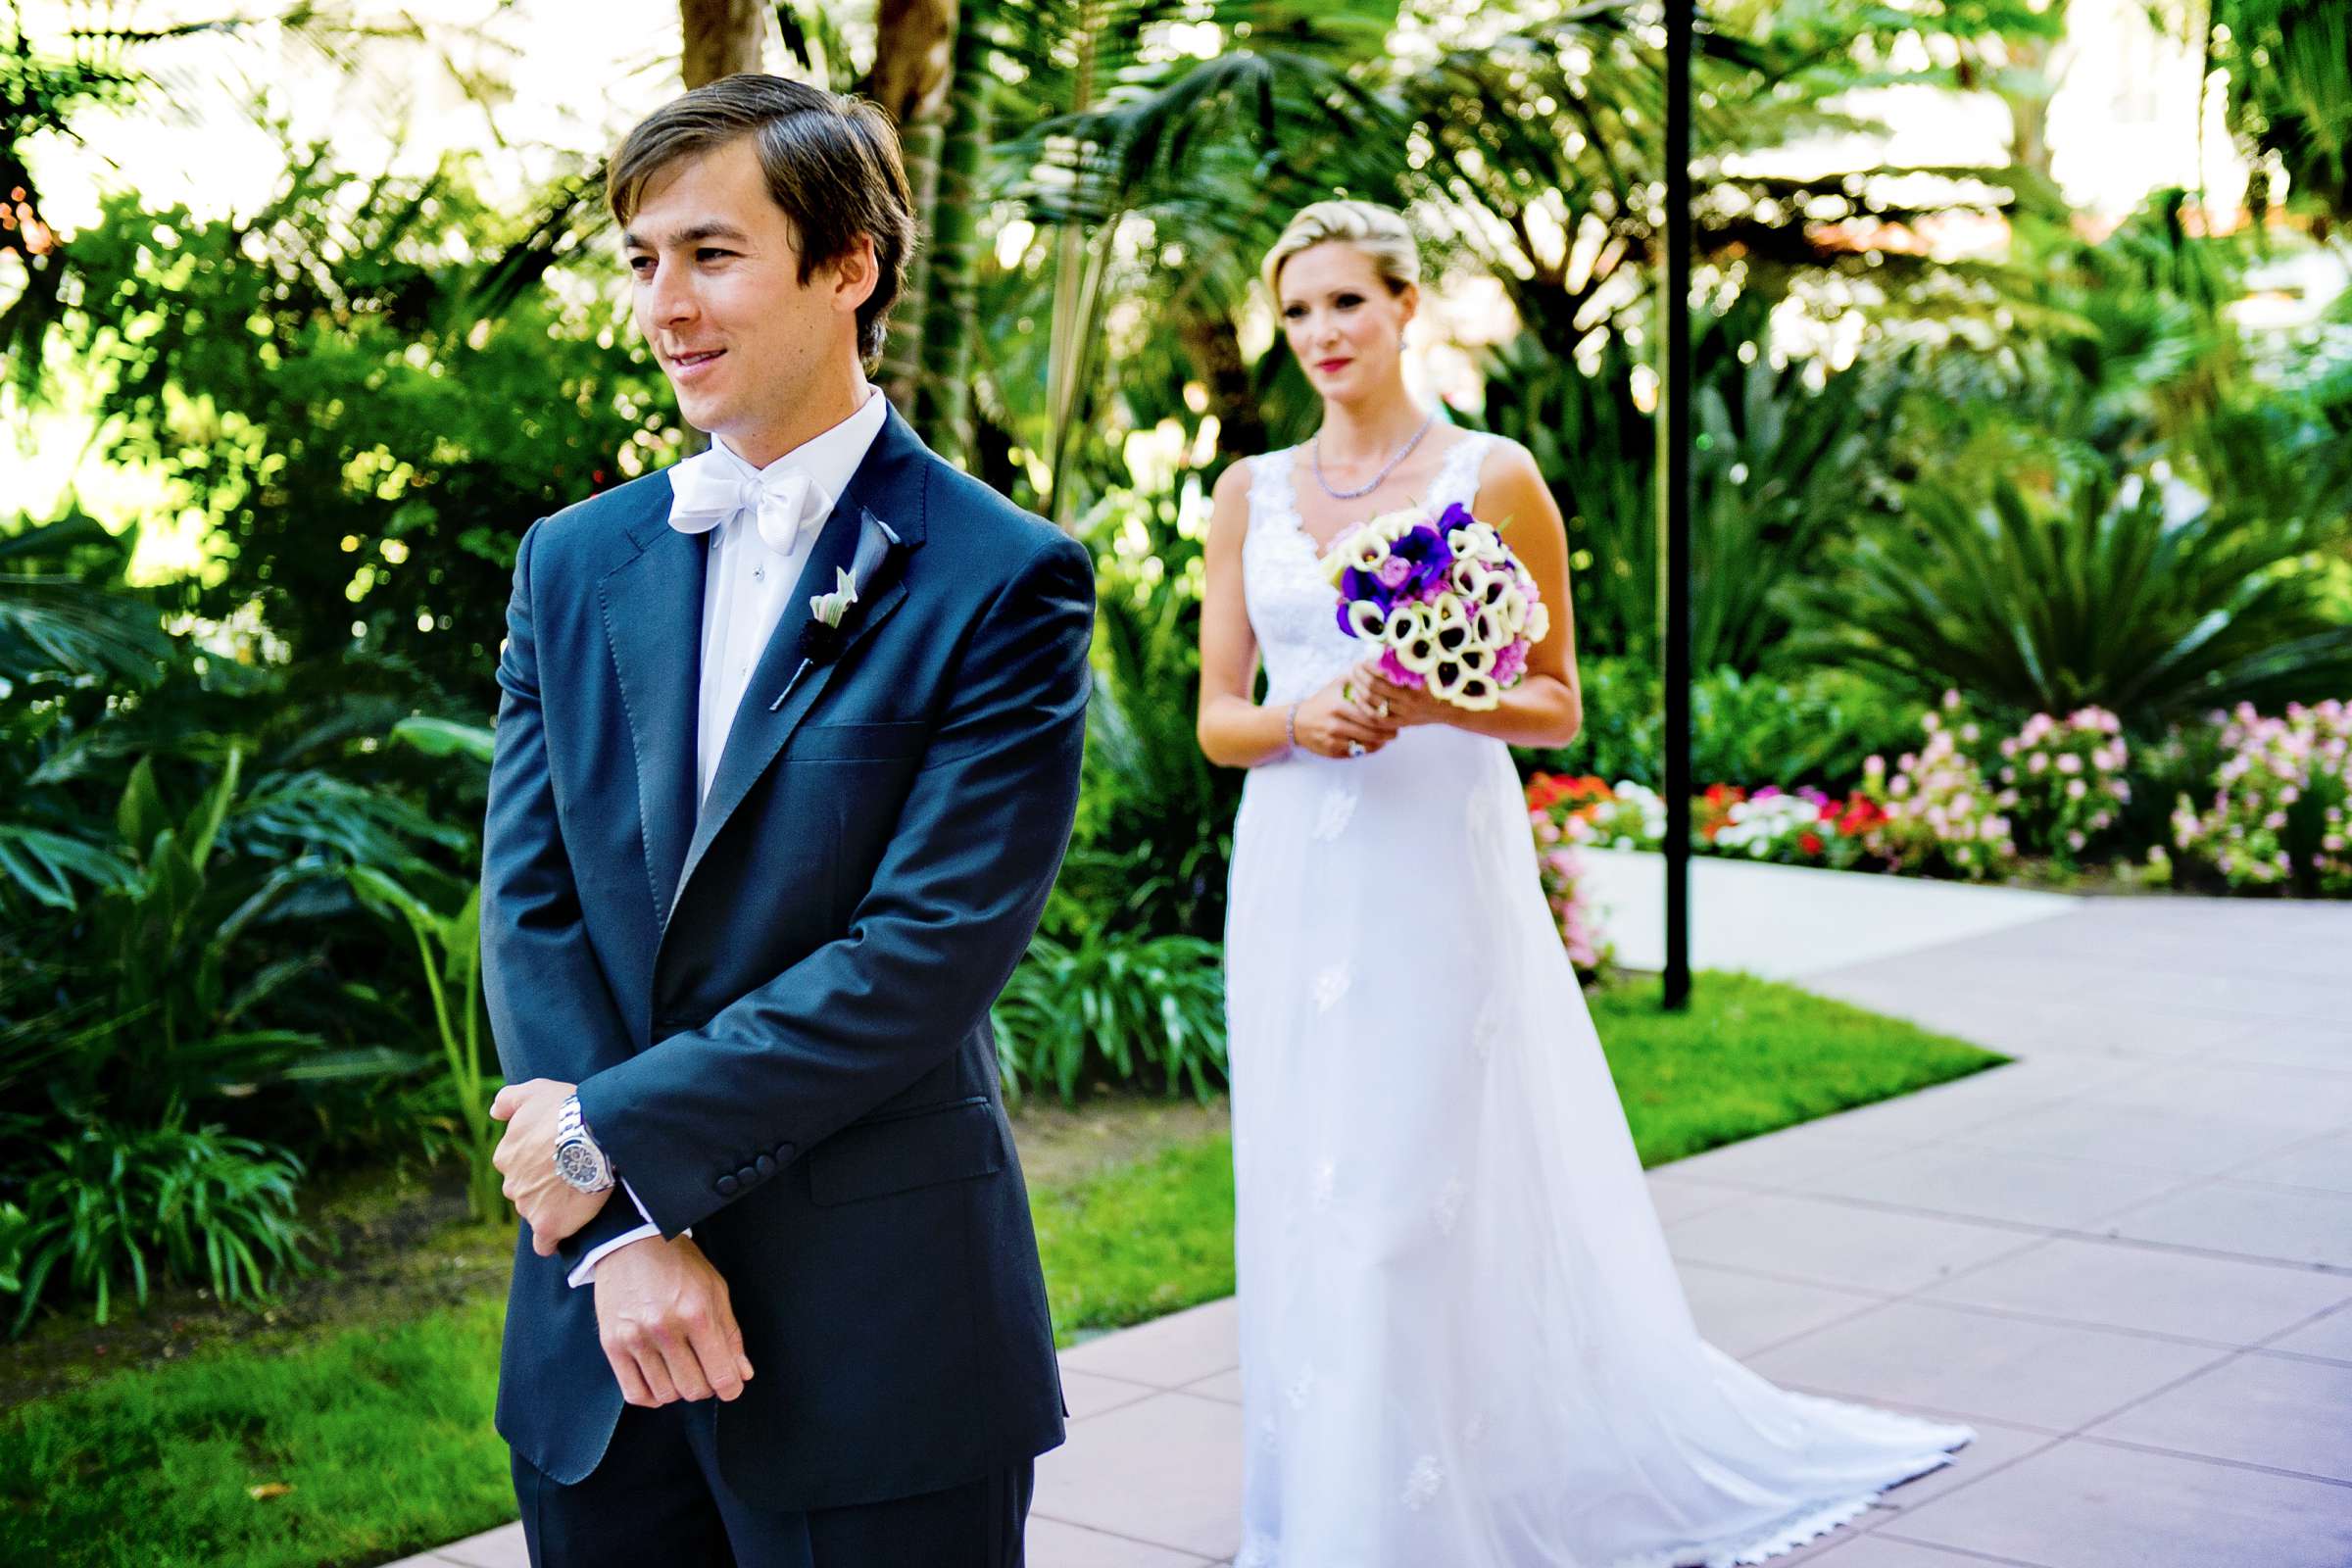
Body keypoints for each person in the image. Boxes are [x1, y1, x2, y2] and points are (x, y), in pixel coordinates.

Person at [1195, 198, 1973, 1567]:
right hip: (1296, 879)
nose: (1322, 332)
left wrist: (1438, 702)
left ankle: (1410, 1527)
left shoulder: (1491, 476)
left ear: (1405, 307)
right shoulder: (1248, 493)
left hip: (1431, 868)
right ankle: (1330, 1507)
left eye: (1347, 303)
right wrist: (1299, 723)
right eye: (1301, 308)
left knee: (1404, 1201)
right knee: (1312, 1193)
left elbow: (1554, 705)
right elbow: (1219, 717)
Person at [477, 74, 1091, 1568]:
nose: (664, 306)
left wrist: (596, 1145)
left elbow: (921, 957)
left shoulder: (1003, 580)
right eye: (641, 262)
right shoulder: (571, 562)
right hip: (596, 1342)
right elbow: (529, 901)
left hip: (879, 1338)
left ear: (847, 267)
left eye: (711, 253)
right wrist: (621, 1231)